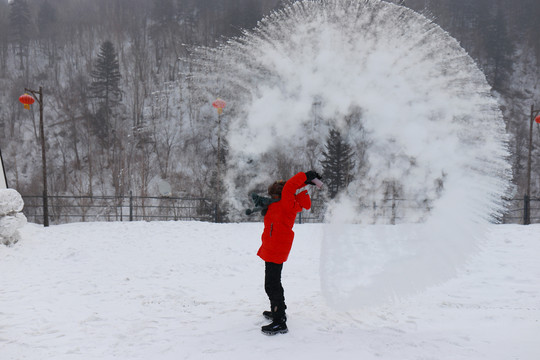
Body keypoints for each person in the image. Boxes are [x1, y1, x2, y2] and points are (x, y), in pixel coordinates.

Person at [255, 170, 322, 335]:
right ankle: (278, 311)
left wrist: (305, 176)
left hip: (276, 249)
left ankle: (280, 321)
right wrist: (307, 182)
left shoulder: (286, 202)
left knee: (272, 285)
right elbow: (290, 188)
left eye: (273, 194)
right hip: (273, 248)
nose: (270, 197)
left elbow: (289, 187)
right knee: (272, 283)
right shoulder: (282, 204)